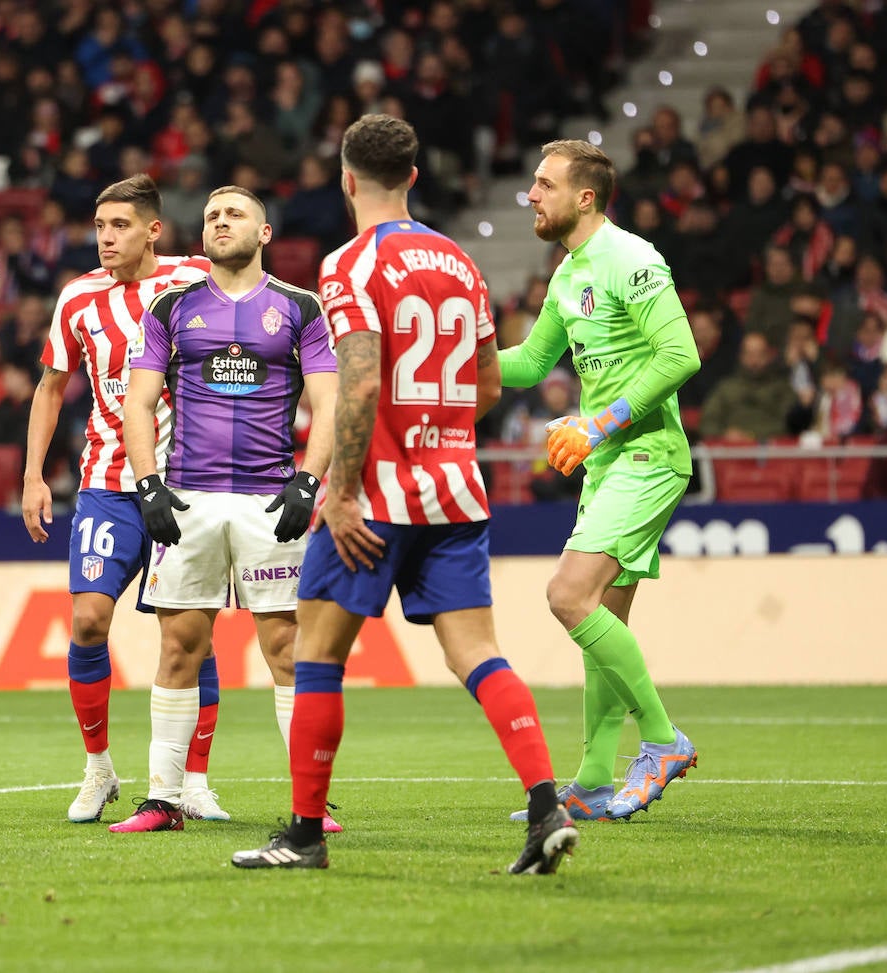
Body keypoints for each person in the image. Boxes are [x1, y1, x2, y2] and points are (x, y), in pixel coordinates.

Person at [233, 115, 578, 874]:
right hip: (456, 490)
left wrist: (345, 489)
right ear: (414, 177)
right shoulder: (460, 262)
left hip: (378, 497)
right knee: (478, 652)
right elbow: (488, 383)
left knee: (318, 654)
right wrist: (438, 428)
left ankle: (303, 833)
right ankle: (546, 801)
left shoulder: (349, 263)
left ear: (347, 178)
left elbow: (356, 380)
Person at [111, 186, 338, 833]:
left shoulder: (299, 307)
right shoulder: (171, 305)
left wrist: (307, 480)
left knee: (288, 647)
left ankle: (309, 806)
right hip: (190, 497)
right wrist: (148, 484)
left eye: (234, 214)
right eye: (212, 215)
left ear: (264, 233)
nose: (219, 222)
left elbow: (328, 402)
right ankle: (164, 798)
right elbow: (138, 402)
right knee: (180, 644)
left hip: (271, 499)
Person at [496, 139, 700, 825]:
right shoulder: (567, 273)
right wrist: (449, 357)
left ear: (584, 197)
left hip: (645, 455)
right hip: (611, 463)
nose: (532, 193)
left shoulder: (631, 258)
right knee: (602, 618)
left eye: (544, 183)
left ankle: (664, 741)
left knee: (568, 595)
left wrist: (598, 423)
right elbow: (527, 362)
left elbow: (681, 353)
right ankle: (589, 778)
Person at [21, 174, 219, 825]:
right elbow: (51, 387)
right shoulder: (78, 297)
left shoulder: (196, 279)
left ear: (153, 230)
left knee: (187, 635)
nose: (106, 237)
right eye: (100, 226)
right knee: (86, 621)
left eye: (120, 226)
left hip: (188, 484)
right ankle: (99, 767)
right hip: (108, 485)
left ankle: (192, 780)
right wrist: (32, 474)